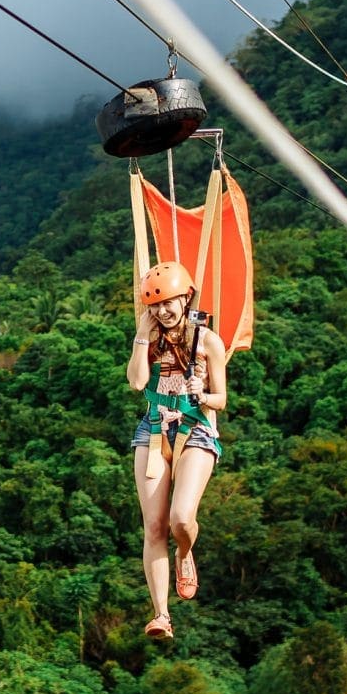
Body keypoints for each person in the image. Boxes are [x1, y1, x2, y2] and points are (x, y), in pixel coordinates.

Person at [127, 261, 228, 640]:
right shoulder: (149, 340)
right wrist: (141, 335)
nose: (162, 311)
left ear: (185, 298)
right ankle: (161, 615)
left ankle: (186, 551)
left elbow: (222, 398)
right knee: (153, 526)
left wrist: (203, 394)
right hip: (153, 431)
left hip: (196, 429)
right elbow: (137, 382)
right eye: (154, 305)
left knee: (180, 521)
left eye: (168, 303)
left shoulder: (207, 341)